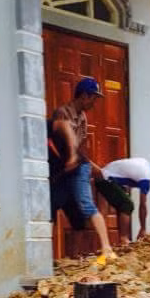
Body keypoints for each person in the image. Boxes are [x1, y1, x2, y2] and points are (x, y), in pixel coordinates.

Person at [49, 77, 115, 264]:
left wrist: (87, 164)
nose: (94, 103)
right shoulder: (62, 113)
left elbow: (81, 145)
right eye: (93, 98)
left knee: (86, 204)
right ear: (84, 96)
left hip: (78, 167)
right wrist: (70, 158)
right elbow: (65, 140)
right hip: (63, 169)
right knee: (51, 206)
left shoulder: (83, 117)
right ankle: (49, 256)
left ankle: (106, 248)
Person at [97, 157, 150, 244]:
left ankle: (121, 239)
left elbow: (126, 176)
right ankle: (123, 239)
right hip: (105, 178)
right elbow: (143, 205)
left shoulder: (146, 165)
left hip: (107, 175)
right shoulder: (146, 177)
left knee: (123, 205)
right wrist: (143, 228)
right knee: (127, 205)